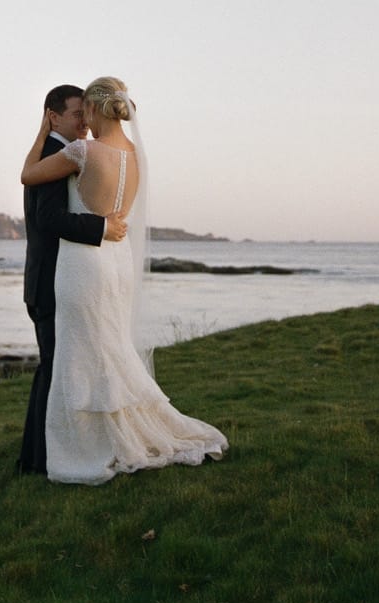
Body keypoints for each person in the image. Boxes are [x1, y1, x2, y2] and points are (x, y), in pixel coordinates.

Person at [20, 77, 226, 484]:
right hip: (117, 263)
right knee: (110, 352)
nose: (82, 122)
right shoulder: (135, 155)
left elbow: (27, 176)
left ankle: (82, 446)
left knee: (80, 358)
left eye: (84, 114)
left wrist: (44, 131)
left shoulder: (82, 151)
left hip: (84, 266)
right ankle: (110, 434)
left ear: (95, 110)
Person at [16, 84, 127, 475]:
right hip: (48, 280)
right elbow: (48, 219)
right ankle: (38, 460)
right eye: (77, 113)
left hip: (61, 276)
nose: (85, 120)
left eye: (87, 113)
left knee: (57, 369)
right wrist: (101, 227)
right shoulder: (53, 155)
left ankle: (40, 457)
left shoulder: (57, 152)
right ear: (53, 116)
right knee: (53, 370)